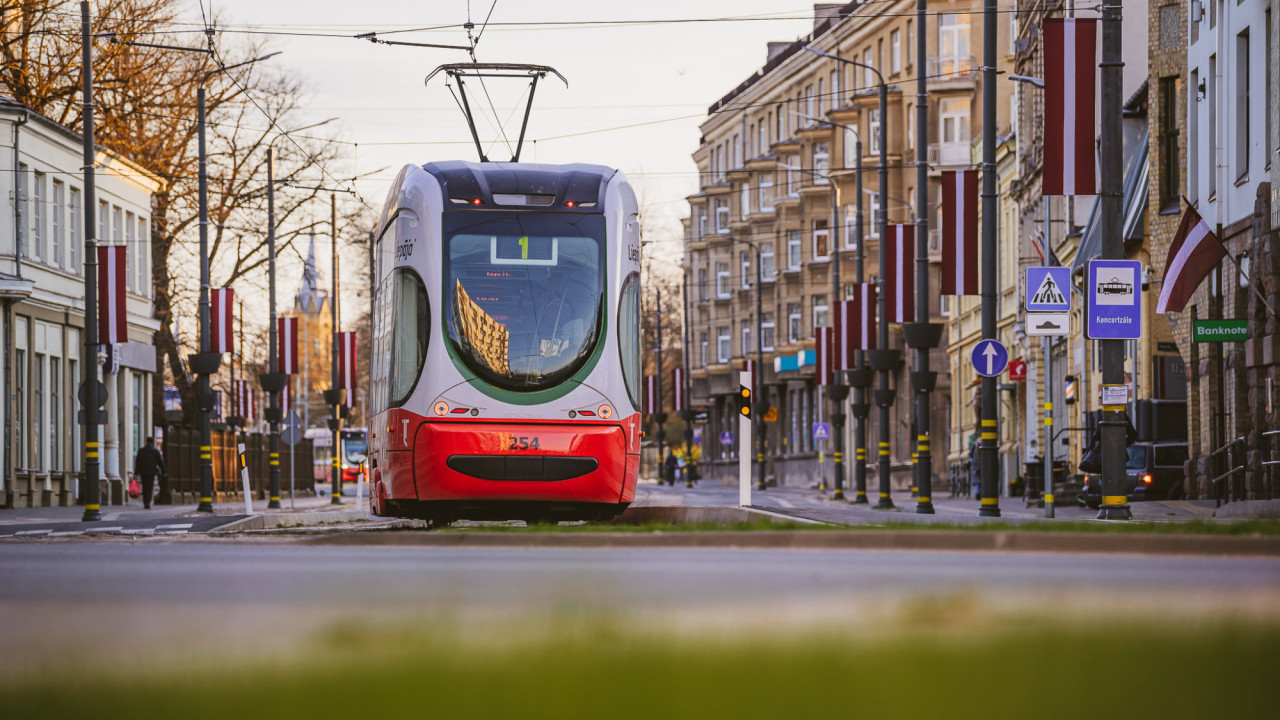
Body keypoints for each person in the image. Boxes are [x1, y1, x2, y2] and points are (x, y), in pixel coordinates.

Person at [133, 437, 167, 510]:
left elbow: (138, 462)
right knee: (150, 487)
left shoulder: (141, 451)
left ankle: (145, 502)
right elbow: (161, 462)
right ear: (152, 442)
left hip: (143, 472)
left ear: (146, 441)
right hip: (151, 472)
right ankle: (148, 502)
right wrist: (164, 471)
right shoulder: (155, 451)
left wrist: (136, 473)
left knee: (145, 487)